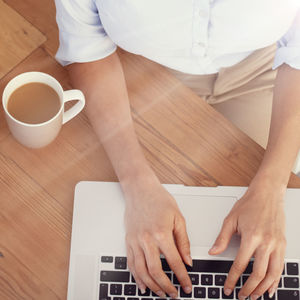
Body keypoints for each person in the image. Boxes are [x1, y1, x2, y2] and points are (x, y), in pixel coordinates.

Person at [54, 1, 300, 299]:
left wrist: (272, 189)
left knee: (271, 240)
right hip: (146, 70)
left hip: (264, 69)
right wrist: (136, 183)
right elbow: (86, 48)